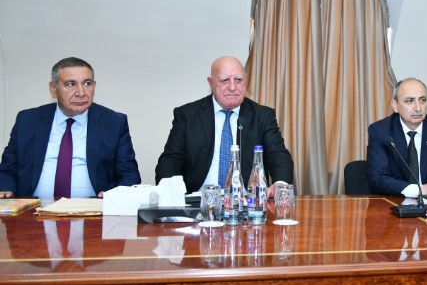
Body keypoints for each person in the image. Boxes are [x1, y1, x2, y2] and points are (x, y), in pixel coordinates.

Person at [0, 57, 141, 198]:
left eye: (87, 83)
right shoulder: (27, 120)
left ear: (94, 86)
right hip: (34, 208)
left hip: (93, 208)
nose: (81, 93)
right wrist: (6, 189)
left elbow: (129, 174)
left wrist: (115, 195)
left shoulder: (114, 122)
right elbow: (7, 169)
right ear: (53, 89)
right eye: (70, 84)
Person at [155, 56, 293, 198]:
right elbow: (170, 160)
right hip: (198, 201)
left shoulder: (262, 116)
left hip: (248, 202)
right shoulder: (187, 115)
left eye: (238, 80)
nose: (232, 87)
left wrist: (280, 184)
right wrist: (169, 194)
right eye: (224, 80)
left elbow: (278, 154)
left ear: (245, 81)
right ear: (211, 83)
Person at [366, 78, 427, 197]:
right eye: (409, 101)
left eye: (423, 100)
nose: (418, 108)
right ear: (395, 106)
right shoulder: (380, 131)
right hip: (392, 200)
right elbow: (377, 179)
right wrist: (419, 190)